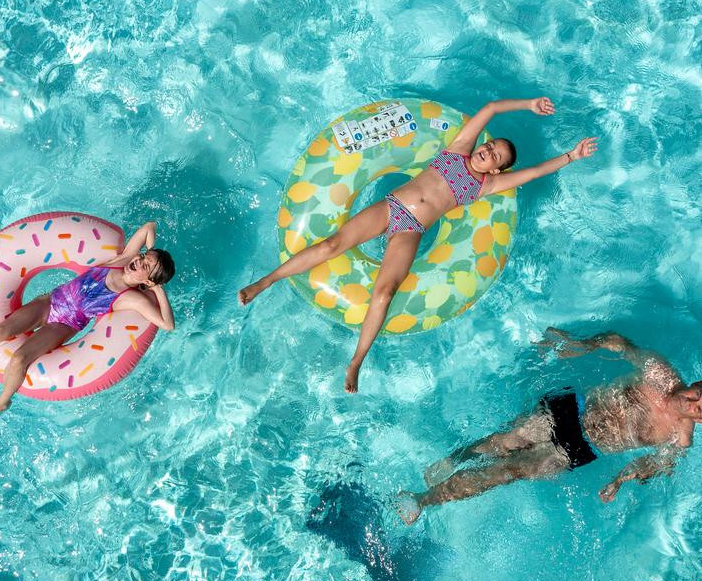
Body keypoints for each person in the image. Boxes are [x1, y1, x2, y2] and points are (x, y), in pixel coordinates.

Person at [239, 97, 598, 392]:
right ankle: (266, 281)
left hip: (411, 230)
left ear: (496, 171)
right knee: (332, 245)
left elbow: (533, 173)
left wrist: (571, 156)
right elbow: (489, 109)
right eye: (489, 145)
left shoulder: (485, 186)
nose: (487, 151)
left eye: (494, 156)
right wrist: (529, 105)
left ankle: (356, 361)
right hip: (390, 206)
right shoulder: (459, 148)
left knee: (385, 292)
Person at [397, 328, 701, 524]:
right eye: (698, 394)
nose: (692, 403)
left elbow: (655, 464)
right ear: (697, 384)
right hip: (572, 410)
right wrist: (583, 345)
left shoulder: (680, 437)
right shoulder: (660, 373)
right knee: (505, 441)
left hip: (582, 449)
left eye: (699, 410)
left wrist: (621, 479)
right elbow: (620, 343)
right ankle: (456, 459)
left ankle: (423, 500)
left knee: (505, 473)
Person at [0, 221, 176, 419]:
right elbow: (149, 226)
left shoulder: (130, 298)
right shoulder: (122, 259)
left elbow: (167, 324)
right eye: (143, 256)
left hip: (63, 325)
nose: (139, 260)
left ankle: (2, 402)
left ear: (148, 282)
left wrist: (158, 289)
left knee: (19, 359)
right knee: (0, 332)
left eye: (145, 265)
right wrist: (152, 251)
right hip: (49, 302)